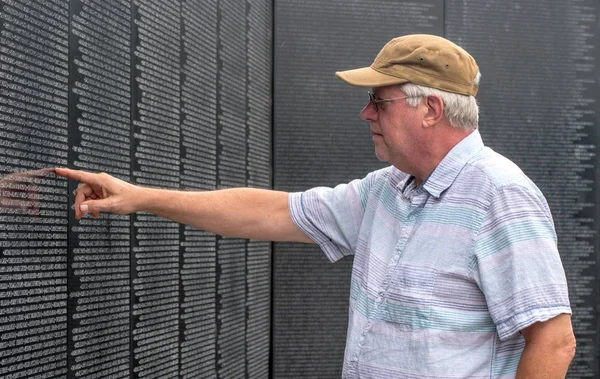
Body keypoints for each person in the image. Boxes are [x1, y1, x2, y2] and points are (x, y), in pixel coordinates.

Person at [56, 34, 576, 378]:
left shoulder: (500, 194)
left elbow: (553, 343)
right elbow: (269, 212)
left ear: (431, 109)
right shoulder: (387, 190)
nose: (365, 112)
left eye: (380, 100)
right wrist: (137, 196)